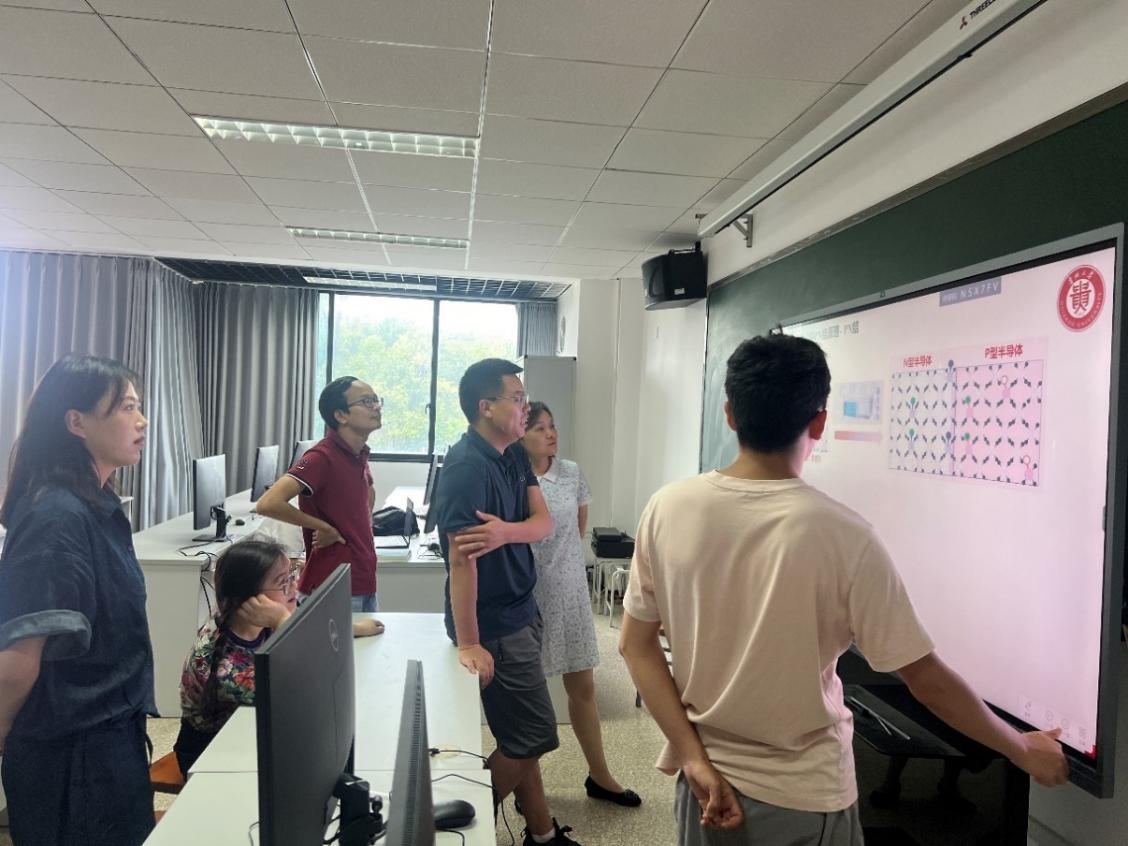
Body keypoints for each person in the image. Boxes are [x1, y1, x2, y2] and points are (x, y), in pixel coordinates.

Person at [618, 334, 1069, 846]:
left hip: (703, 789)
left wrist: (692, 758)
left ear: (730, 415)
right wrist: (1021, 749)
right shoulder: (845, 535)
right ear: (819, 422)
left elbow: (635, 645)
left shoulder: (668, 507)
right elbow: (926, 679)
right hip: (804, 801)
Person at [0, 355, 156, 846]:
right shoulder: (56, 516)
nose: (142, 420)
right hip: (72, 757)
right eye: (127, 407)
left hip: (106, 740)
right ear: (76, 422)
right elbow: (18, 660)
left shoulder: (94, 503)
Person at [435, 359, 581, 846]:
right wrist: (470, 642)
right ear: (486, 407)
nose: (526, 409)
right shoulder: (465, 468)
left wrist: (504, 533)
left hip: (523, 609)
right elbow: (462, 562)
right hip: (494, 624)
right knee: (534, 734)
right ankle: (445, 825)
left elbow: (544, 523)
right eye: (517, 400)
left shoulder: (513, 454)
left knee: (520, 736)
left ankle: (542, 834)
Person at [520, 402, 639, 808]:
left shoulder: (570, 472)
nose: (550, 434)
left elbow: (578, 528)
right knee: (529, 696)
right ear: (520, 435)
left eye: (552, 426)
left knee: (583, 687)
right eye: (539, 428)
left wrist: (563, 565)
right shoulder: (511, 475)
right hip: (526, 595)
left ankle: (600, 775)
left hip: (569, 591)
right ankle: (527, 785)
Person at [257, 376, 384, 626]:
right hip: (333, 583)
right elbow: (268, 503)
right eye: (366, 402)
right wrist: (323, 527)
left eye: (376, 400)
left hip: (362, 578)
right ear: (340, 415)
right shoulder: (320, 456)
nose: (376, 407)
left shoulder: (358, 453)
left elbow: (366, 497)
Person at [173, 539, 297, 776]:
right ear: (250, 600)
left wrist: (353, 628)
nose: (294, 586)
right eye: (283, 582)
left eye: (291, 576)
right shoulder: (227, 669)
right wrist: (283, 620)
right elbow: (298, 694)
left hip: (247, 733)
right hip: (210, 755)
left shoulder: (250, 619)